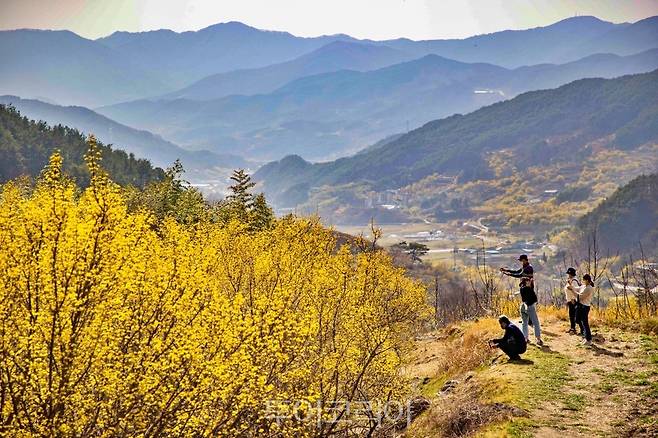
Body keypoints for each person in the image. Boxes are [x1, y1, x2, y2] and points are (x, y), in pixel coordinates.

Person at [501, 254, 543, 346]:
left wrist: (509, 274)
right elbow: (517, 272)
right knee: (528, 322)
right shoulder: (525, 270)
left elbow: (519, 274)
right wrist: (507, 271)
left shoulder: (528, 269)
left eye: (522, 260)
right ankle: (528, 338)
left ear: (525, 260)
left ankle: (534, 339)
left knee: (531, 322)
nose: (521, 262)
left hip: (528, 302)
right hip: (526, 302)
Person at [577, 274, 595, 345]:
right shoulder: (585, 286)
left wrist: (574, 292)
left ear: (587, 280)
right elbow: (578, 289)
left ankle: (589, 339)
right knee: (581, 321)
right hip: (582, 306)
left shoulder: (589, 288)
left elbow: (581, 297)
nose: (583, 281)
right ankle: (586, 337)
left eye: (584, 280)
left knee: (585, 323)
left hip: (585, 307)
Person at [565, 267, 581, 334]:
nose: (568, 275)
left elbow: (575, 290)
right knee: (571, 315)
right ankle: (572, 328)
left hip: (573, 300)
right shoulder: (570, 280)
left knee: (573, 315)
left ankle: (573, 328)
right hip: (570, 300)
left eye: (569, 274)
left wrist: (572, 299)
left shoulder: (574, 281)